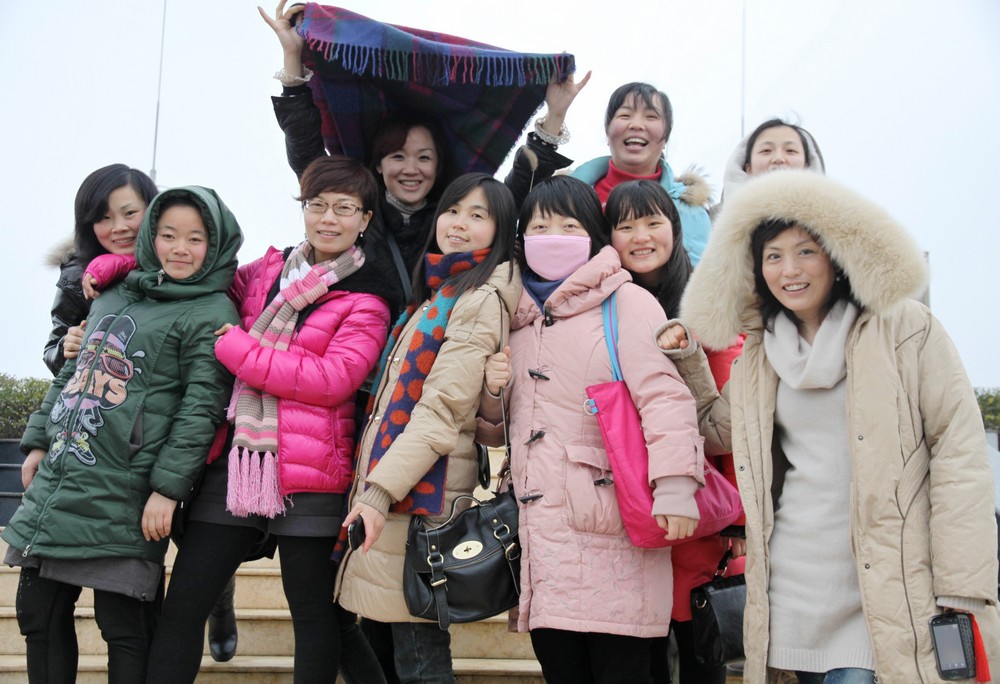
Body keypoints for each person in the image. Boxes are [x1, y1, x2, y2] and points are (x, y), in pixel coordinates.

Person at [658, 170, 1000, 683]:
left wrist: (961, 584)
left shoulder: (904, 327)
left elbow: (960, 454)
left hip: (886, 588)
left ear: (836, 257)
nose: (789, 270)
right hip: (792, 590)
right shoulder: (761, 355)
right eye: (773, 255)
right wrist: (688, 358)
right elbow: (714, 431)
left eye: (806, 252)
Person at [144, 156, 393, 684]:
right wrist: (113, 270)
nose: (328, 218)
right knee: (183, 605)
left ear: (365, 219)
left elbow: (332, 380)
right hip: (238, 462)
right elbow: (195, 277)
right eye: (317, 204)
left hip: (314, 474)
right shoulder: (265, 272)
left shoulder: (368, 301)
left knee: (316, 618)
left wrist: (238, 350)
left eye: (344, 208)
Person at [4, 185, 243, 683]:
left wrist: (168, 489)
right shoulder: (114, 292)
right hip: (62, 476)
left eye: (195, 238)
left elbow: (202, 409)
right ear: (151, 237)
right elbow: (73, 373)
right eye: (168, 235)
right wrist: (39, 441)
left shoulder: (213, 312)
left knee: (124, 627)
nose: (180, 248)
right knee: (37, 615)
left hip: (126, 490)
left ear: (217, 244)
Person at [477, 175, 703, 684]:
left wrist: (676, 485)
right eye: (540, 226)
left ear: (593, 237)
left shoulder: (626, 302)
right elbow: (497, 432)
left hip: (612, 528)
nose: (553, 236)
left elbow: (665, 399)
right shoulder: (514, 317)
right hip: (541, 541)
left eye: (569, 225)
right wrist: (491, 395)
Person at [335, 172, 521, 684]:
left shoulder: (478, 298)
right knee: (404, 652)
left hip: (418, 500)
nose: (459, 223)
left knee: (420, 659)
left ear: (500, 230)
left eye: (478, 215)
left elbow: (442, 412)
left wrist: (377, 494)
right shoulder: (442, 291)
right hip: (405, 490)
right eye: (453, 210)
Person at [604, 179, 744, 684]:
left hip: (698, 510)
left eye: (653, 222)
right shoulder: (601, 305)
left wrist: (738, 520)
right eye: (625, 226)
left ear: (675, 227)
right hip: (624, 507)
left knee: (699, 650)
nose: (641, 236)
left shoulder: (706, 305)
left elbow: (731, 418)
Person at [565, 82, 713, 266]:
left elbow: (700, 278)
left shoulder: (689, 211)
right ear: (607, 130)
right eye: (625, 115)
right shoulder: (566, 199)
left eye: (651, 116)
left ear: (666, 136)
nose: (636, 125)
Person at [42, 163, 158, 375]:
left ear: (154, 210)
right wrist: (66, 346)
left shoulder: (180, 265)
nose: (119, 227)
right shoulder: (76, 276)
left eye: (130, 213)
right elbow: (51, 352)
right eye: (104, 217)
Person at [716, 117, 825, 209]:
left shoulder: (831, 219)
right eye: (766, 151)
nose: (778, 158)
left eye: (790, 150)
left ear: (807, 166)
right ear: (748, 168)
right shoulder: (712, 221)